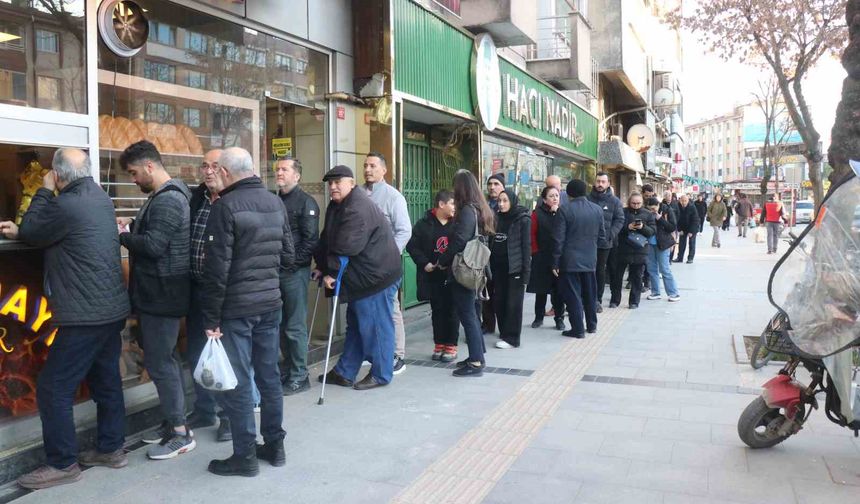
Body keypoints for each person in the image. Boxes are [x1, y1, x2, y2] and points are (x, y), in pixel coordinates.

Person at [1, 150, 130, 489]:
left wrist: (43, 190)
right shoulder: (100, 198)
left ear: (58, 175)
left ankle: (62, 463)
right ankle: (111, 448)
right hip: (109, 310)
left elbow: (32, 228)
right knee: (106, 382)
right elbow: (43, 233)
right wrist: (28, 230)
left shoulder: (64, 204)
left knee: (52, 388)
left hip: (83, 315)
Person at [201, 147, 295, 476]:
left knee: (239, 382)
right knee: (269, 377)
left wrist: (210, 319)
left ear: (226, 173)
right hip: (270, 304)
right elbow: (288, 257)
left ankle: (245, 456)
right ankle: (275, 446)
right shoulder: (275, 202)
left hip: (236, 309)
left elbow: (216, 271)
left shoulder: (224, 207)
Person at [117, 140, 194, 460]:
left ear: (150, 166)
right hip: (161, 293)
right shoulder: (165, 196)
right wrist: (133, 228)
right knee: (167, 361)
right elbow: (155, 236)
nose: (133, 179)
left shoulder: (167, 200)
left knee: (161, 363)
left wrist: (120, 235)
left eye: (134, 173)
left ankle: (180, 432)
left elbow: (153, 246)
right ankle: (174, 423)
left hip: (162, 295)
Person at [314, 165, 402, 390]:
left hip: (376, 277)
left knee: (376, 326)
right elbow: (327, 238)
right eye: (330, 183)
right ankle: (345, 371)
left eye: (338, 182)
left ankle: (382, 373)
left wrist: (332, 272)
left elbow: (346, 245)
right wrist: (322, 266)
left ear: (351, 183)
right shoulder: (337, 205)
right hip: (364, 275)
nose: (333, 187)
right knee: (357, 324)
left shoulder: (356, 208)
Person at [186, 149, 233, 443]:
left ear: (226, 169)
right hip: (195, 289)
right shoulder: (197, 198)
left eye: (214, 166)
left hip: (226, 294)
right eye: (204, 165)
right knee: (197, 353)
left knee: (225, 356)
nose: (208, 171)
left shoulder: (234, 201)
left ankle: (228, 416)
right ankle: (204, 409)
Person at [438, 169, 495, 377]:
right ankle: (476, 355)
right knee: (470, 313)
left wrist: (442, 261)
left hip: (465, 269)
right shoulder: (479, 209)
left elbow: (459, 241)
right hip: (475, 269)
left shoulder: (468, 211)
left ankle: (477, 361)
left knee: (468, 315)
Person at [363, 153, 411, 374]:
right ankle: (372, 351)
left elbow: (404, 230)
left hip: (386, 265)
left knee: (390, 308)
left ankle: (397, 354)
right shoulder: (359, 195)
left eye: (373, 166)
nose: (368, 169)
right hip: (363, 266)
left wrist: (390, 254)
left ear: (384, 170)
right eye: (365, 165)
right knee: (367, 308)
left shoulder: (393, 197)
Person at [275, 156, 320, 395]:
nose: (279, 173)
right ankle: (288, 369)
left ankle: (300, 375)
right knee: (280, 324)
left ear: (297, 175)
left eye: (284, 169)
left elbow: (310, 240)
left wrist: (292, 263)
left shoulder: (306, 202)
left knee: (294, 326)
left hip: (294, 273)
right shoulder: (273, 200)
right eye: (277, 169)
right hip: (275, 272)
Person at [406, 190, 459, 361]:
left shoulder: (457, 224)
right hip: (432, 275)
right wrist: (424, 263)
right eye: (452, 203)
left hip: (452, 275)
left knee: (452, 310)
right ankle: (439, 344)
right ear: (441, 204)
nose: (454, 207)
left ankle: (451, 346)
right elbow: (412, 247)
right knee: (437, 310)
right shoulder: (423, 224)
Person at [552, 179, 605, 338]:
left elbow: (558, 238)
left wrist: (555, 261)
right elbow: (602, 236)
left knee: (573, 295)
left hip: (570, 261)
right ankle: (592, 325)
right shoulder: (597, 209)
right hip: (590, 259)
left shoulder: (564, 210)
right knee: (590, 293)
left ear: (568, 194)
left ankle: (577, 329)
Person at [490, 189, 530, 349]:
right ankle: (505, 333)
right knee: (499, 301)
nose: (501, 204)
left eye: (505, 200)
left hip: (515, 267)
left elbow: (526, 247)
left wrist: (526, 273)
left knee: (513, 304)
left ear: (512, 201)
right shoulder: (496, 217)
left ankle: (513, 338)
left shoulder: (523, 219)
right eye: (499, 201)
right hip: (497, 266)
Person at [527, 185, 565, 330]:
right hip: (541, 256)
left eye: (557, 195)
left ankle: (559, 318)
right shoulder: (537, 213)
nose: (555, 198)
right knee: (541, 290)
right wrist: (535, 252)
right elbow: (532, 234)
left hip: (558, 257)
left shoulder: (563, 212)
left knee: (559, 290)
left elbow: (563, 232)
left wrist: (557, 215)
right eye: (551, 196)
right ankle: (538, 317)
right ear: (544, 199)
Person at [587, 172, 625, 312]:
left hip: (606, 243)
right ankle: (587, 298)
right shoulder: (587, 199)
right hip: (588, 242)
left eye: (603, 182)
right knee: (588, 270)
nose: (600, 184)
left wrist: (610, 234)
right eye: (598, 181)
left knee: (601, 271)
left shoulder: (614, 201)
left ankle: (598, 299)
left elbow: (620, 220)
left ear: (608, 184)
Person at [611, 193, 656, 309]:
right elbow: (616, 228)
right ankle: (615, 300)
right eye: (633, 203)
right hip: (623, 249)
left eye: (638, 203)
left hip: (640, 249)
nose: (636, 205)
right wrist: (628, 227)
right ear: (629, 202)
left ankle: (634, 302)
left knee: (637, 277)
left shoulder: (648, 214)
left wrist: (642, 227)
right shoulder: (623, 212)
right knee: (617, 277)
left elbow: (652, 231)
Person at [644, 197, 681, 302]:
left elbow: (672, 227)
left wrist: (660, 219)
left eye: (654, 209)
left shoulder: (667, 210)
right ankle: (655, 292)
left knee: (664, 269)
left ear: (658, 205)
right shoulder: (647, 212)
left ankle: (673, 293)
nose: (652, 211)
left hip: (663, 244)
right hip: (650, 243)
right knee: (652, 269)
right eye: (650, 209)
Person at [482, 172, 505, 335]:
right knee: (486, 290)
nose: (492, 187)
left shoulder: (507, 204)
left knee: (501, 294)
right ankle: (488, 324)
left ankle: (505, 326)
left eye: (496, 184)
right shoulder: (483, 205)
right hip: (484, 253)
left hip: (502, 256)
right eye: (490, 184)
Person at [674, 194, 700, 264]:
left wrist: (691, 231)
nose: (684, 202)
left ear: (688, 201)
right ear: (680, 200)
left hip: (692, 227)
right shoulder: (677, 206)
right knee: (681, 243)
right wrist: (679, 230)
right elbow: (676, 219)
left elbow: (695, 220)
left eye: (685, 201)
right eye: (682, 201)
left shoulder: (692, 207)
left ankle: (690, 258)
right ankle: (680, 258)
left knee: (691, 243)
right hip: (683, 227)